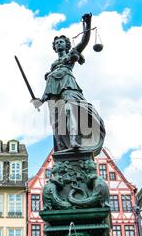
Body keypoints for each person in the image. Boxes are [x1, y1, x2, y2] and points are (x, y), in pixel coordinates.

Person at [31, 13, 105, 155]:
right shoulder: (53, 66)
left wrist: (88, 25)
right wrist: (40, 101)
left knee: (71, 108)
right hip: (53, 96)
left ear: (67, 44)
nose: (59, 44)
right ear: (54, 47)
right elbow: (49, 87)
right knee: (57, 124)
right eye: (57, 43)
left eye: (61, 42)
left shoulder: (70, 56)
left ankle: (74, 140)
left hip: (69, 88)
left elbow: (84, 42)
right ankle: (63, 151)